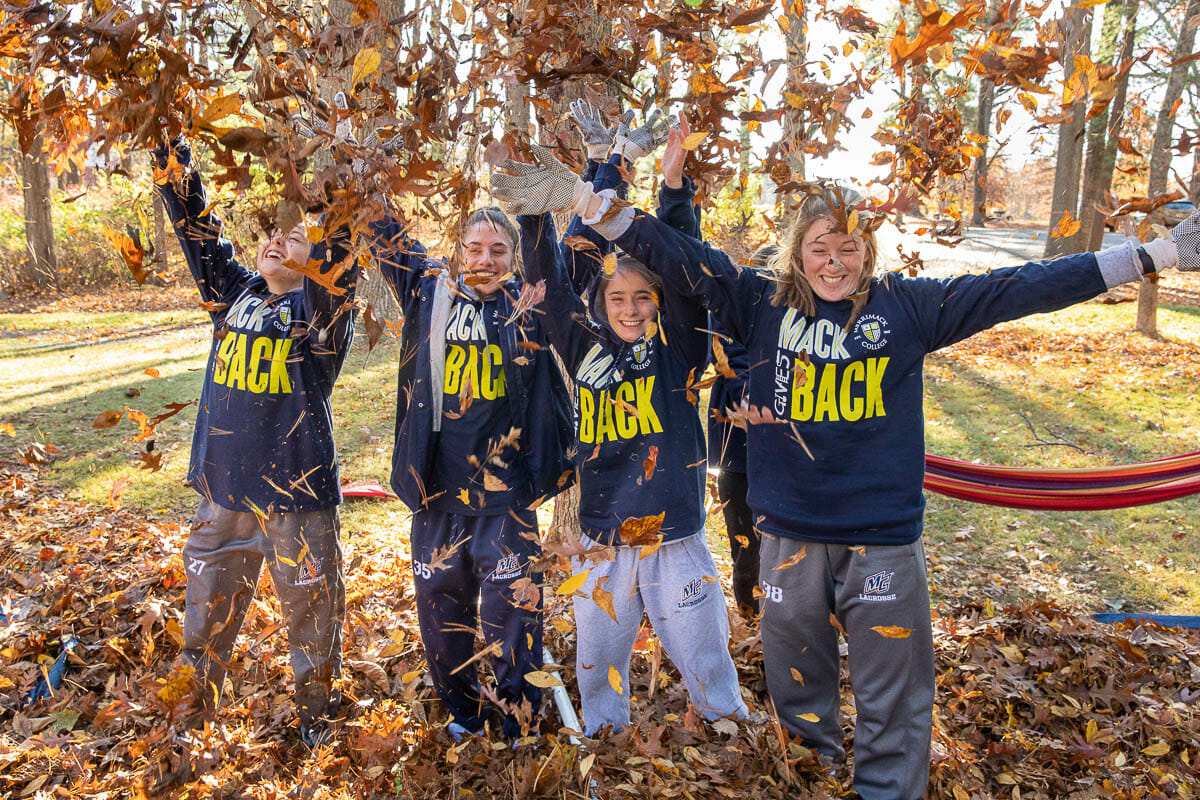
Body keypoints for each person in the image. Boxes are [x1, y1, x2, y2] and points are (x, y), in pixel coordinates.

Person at [491, 140, 1200, 796]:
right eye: (820, 248)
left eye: (849, 247)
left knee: (891, 694)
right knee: (798, 691)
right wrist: (585, 200)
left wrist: (1160, 252)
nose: (834, 263)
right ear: (798, 253)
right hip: (788, 539)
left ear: (869, 249)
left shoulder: (907, 308)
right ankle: (813, 780)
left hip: (879, 539)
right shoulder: (760, 303)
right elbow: (676, 254)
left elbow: (1019, 286)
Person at [496, 110, 749, 736]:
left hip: (675, 536)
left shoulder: (678, 347)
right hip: (602, 538)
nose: (632, 310)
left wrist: (674, 192)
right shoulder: (582, 344)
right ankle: (605, 735)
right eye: (618, 299)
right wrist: (533, 215)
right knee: (598, 659)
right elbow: (549, 283)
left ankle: (725, 725)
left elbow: (687, 272)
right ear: (601, 303)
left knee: (702, 649)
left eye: (643, 299)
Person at [153, 133, 357, 746]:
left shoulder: (321, 315)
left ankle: (318, 723)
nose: (276, 240)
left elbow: (340, 260)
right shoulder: (234, 293)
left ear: (316, 258)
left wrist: (339, 194)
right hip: (224, 490)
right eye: (273, 232)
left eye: (295, 237)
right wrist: (171, 155)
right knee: (205, 611)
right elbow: (199, 233)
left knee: (313, 615)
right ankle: (190, 719)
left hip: (298, 495)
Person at [368, 194, 574, 740]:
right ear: (458, 251)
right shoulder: (430, 292)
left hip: (508, 498)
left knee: (514, 618)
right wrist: (357, 174)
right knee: (442, 615)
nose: (485, 260)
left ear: (513, 257)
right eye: (475, 248)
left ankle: (518, 721)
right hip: (438, 492)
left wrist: (543, 203)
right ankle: (463, 713)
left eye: (498, 250)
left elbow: (559, 265)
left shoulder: (529, 304)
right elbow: (388, 237)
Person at [709, 243, 776, 619]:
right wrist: (753, 397)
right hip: (738, 454)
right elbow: (728, 360)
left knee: (781, 541)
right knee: (746, 542)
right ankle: (750, 619)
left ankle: (780, 616)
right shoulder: (730, 312)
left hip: (785, 454)